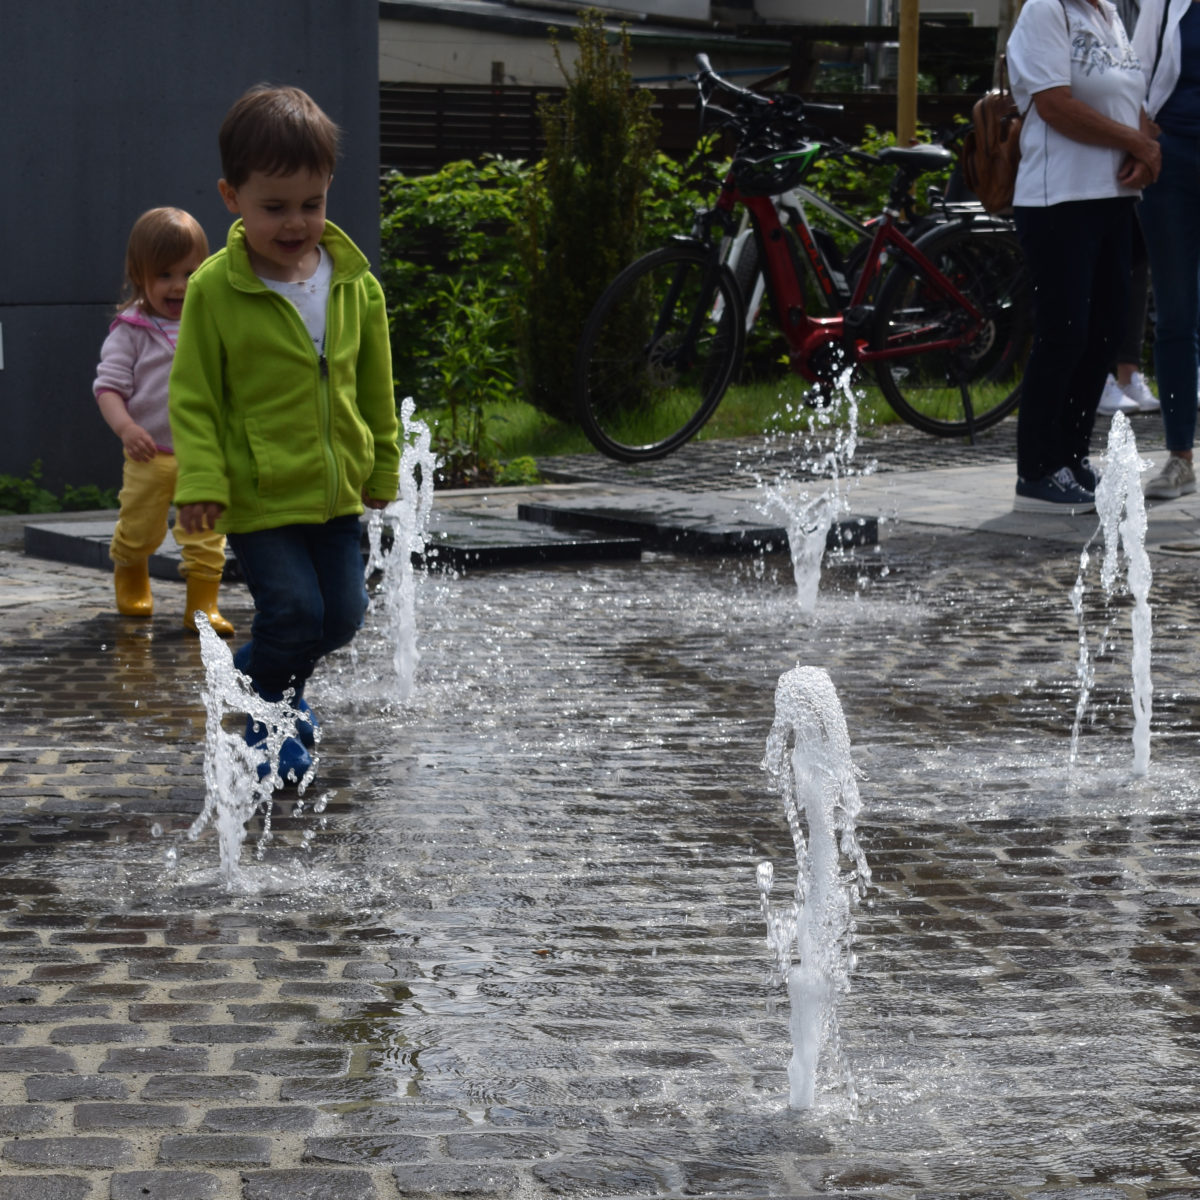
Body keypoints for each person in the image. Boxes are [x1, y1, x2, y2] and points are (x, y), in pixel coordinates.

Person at [170, 85, 399, 783]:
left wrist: (383, 465)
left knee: (341, 620)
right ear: (231, 196)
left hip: (333, 495)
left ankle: (256, 682)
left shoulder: (353, 283)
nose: (296, 223)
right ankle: (267, 730)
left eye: (312, 203)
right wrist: (204, 482)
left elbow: (375, 386)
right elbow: (196, 397)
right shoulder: (215, 289)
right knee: (295, 611)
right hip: (261, 494)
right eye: (275, 207)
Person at [1007, 0, 1162, 513]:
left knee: (1103, 334)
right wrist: (1135, 143)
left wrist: (1142, 150)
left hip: (1112, 199)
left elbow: (1127, 97)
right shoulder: (1046, 10)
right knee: (1064, 332)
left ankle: (1071, 458)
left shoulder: (1111, 15)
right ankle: (1036, 469)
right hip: (1059, 200)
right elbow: (1054, 105)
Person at [94, 208, 234, 636]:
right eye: (165, 275)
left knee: (207, 534)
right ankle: (131, 569)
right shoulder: (131, 330)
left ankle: (202, 604)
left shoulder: (213, 322)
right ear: (139, 275)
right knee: (139, 527)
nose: (179, 286)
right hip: (149, 452)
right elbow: (109, 388)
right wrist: (126, 428)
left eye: (190, 273)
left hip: (203, 454)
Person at [1132, 0, 1200, 499]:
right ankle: (1180, 458)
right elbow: (1135, 74)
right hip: (1170, 162)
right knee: (1176, 314)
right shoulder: (1167, 2)